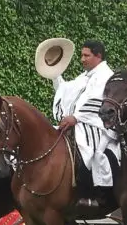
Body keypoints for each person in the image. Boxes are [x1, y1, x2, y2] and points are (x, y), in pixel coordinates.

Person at [51, 40, 119, 209]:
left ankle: (90, 193)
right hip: (81, 121)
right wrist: (54, 74)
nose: (82, 59)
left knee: (88, 149)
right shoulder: (84, 77)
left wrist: (76, 117)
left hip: (99, 125)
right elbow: (66, 90)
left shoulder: (106, 75)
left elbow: (98, 102)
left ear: (98, 56)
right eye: (82, 55)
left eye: (86, 55)